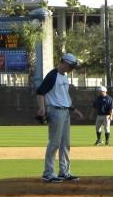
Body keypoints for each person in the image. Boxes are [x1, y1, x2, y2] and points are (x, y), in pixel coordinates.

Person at [36, 53, 84, 182]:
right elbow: (40, 92)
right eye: (71, 66)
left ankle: (64, 171)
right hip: (56, 112)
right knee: (54, 143)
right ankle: (48, 173)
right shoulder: (52, 75)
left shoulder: (64, 77)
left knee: (65, 144)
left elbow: (64, 97)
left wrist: (74, 109)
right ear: (65, 62)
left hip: (65, 112)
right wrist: (42, 108)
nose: (72, 68)